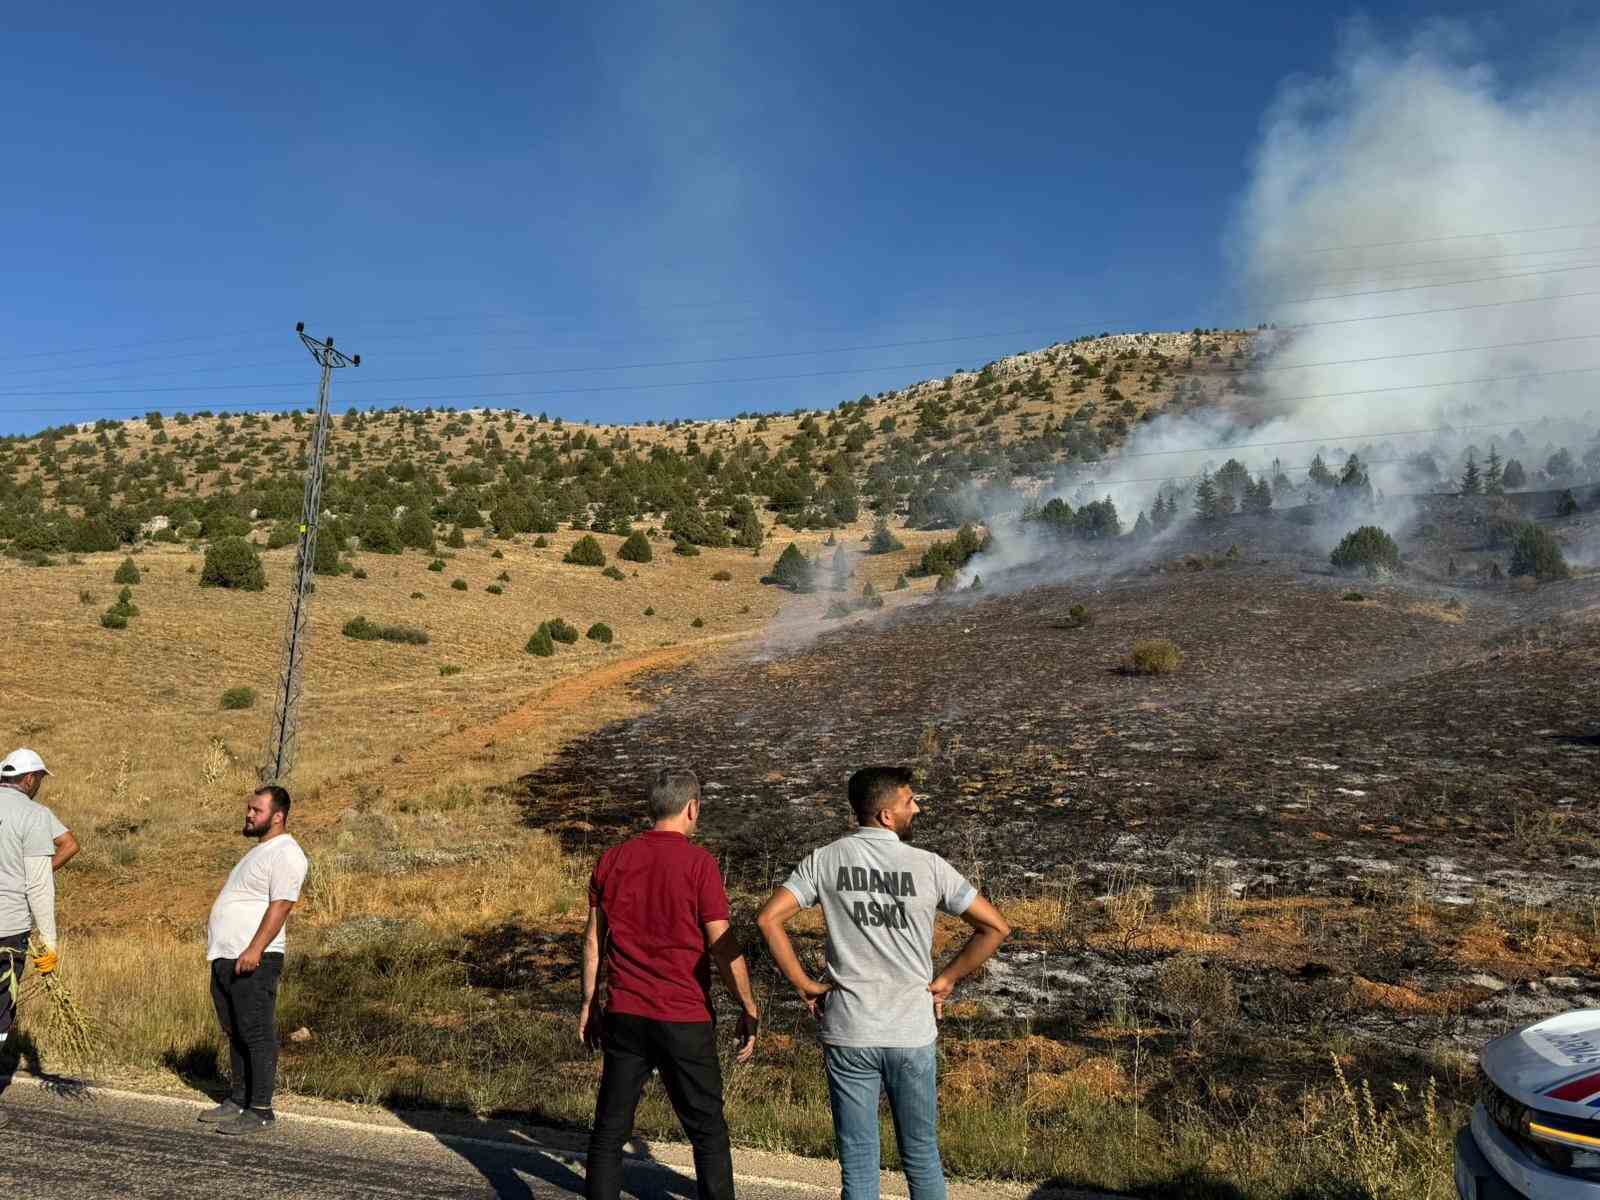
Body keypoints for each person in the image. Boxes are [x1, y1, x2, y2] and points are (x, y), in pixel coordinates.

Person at [756, 766, 1010, 1200]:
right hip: (911, 1030)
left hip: (850, 1029)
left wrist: (802, 982)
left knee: (858, 1161)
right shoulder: (929, 866)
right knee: (922, 1156)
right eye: (909, 801)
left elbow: (768, 918)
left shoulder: (824, 859)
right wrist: (946, 978)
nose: (918, 807)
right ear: (886, 815)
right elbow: (995, 928)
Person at [581, 769, 759, 1200]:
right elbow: (720, 943)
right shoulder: (700, 864)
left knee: (609, 1130)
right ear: (692, 808)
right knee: (708, 1131)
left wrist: (589, 1003)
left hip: (626, 1012)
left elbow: (593, 940)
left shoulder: (612, 859)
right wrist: (747, 1004)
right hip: (684, 1016)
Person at [201, 784, 308, 1136]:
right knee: (235, 1031)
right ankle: (238, 1098)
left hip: (253, 958)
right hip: (226, 957)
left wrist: (255, 949)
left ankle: (261, 1109)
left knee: (257, 1032)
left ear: (278, 817)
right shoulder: (258, 852)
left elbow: (282, 905)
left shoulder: (286, 852)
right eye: (248, 808)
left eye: (256, 810)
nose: (248, 814)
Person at [0, 748, 77, 1127]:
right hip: (7, 930)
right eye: (40, 780)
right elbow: (38, 887)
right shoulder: (32, 816)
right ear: (30, 779)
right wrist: (49, 941)